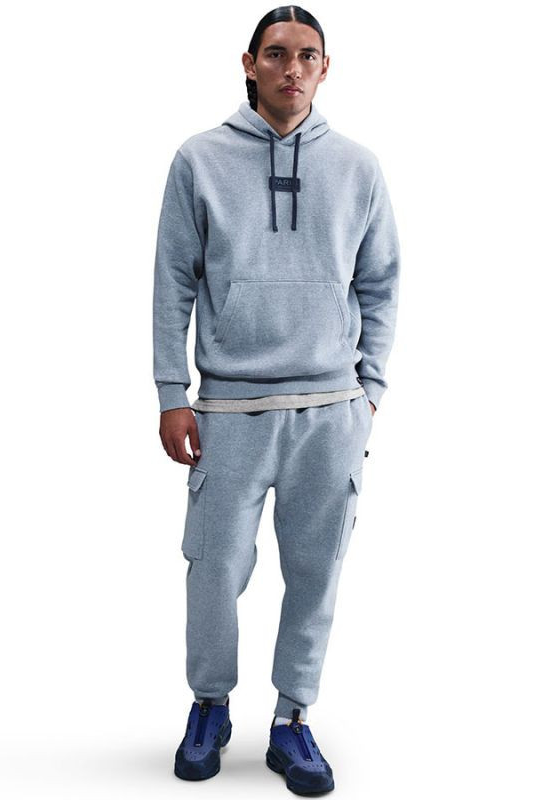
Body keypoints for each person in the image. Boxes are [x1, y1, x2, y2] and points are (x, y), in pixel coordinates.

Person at [152, 6, 400, 794]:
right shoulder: (199, 160)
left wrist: (369, 393)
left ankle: (293, 719)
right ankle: (210, 705)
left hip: (330, 411)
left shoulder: (358, 168)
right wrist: (171, 392)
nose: (292, 68)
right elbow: (173, 281)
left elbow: (381, 283)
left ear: (325, 68)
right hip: (227, 412)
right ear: (250, 63)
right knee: (213, 570)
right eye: (277, 53)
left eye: (307, 56)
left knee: (315, 573)